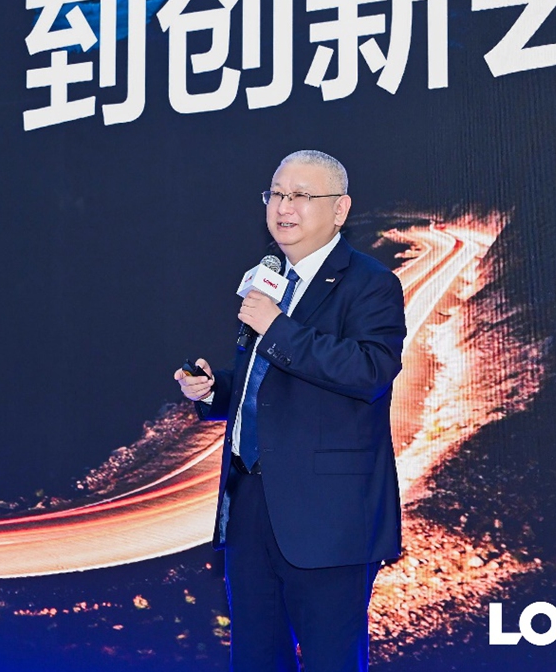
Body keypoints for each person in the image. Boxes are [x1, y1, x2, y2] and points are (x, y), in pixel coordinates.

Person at [174, 150, 406, 672]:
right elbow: (273, 389)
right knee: (256, 657)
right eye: (276, 194)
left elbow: (369, 371)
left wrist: (276, 326)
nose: (284, 207)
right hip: (252, 500)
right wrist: (215, 391)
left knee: (331, 659)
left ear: (340, 209)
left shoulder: (370, 283)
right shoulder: (268, 279)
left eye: (301, 196)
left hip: (329, 514)